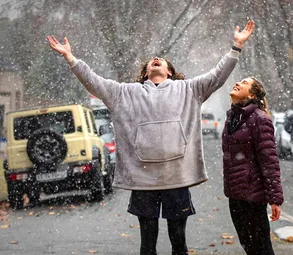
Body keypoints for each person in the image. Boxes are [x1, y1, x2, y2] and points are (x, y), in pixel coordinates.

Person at [47, 20, 255, 255]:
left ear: (169, 72)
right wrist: (70, 58)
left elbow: (218, 75)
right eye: (151, 61)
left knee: (179, 243)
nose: (156, 59)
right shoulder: (124, 93)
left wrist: (236, 47)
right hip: (143, 181)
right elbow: (93, 80)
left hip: (176, 179)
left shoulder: (189, 89)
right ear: (146, 71)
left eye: (162, 61)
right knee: (147, 245)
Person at [222, 77, 284, 255]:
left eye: (244, 82)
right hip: (235, 195)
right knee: (249, 247)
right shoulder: (232, 117)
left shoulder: (259, 119)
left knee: (261, 248)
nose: (238, 83)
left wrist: (275, 198)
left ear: (251, 94)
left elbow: (269, 160)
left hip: (252, 195)